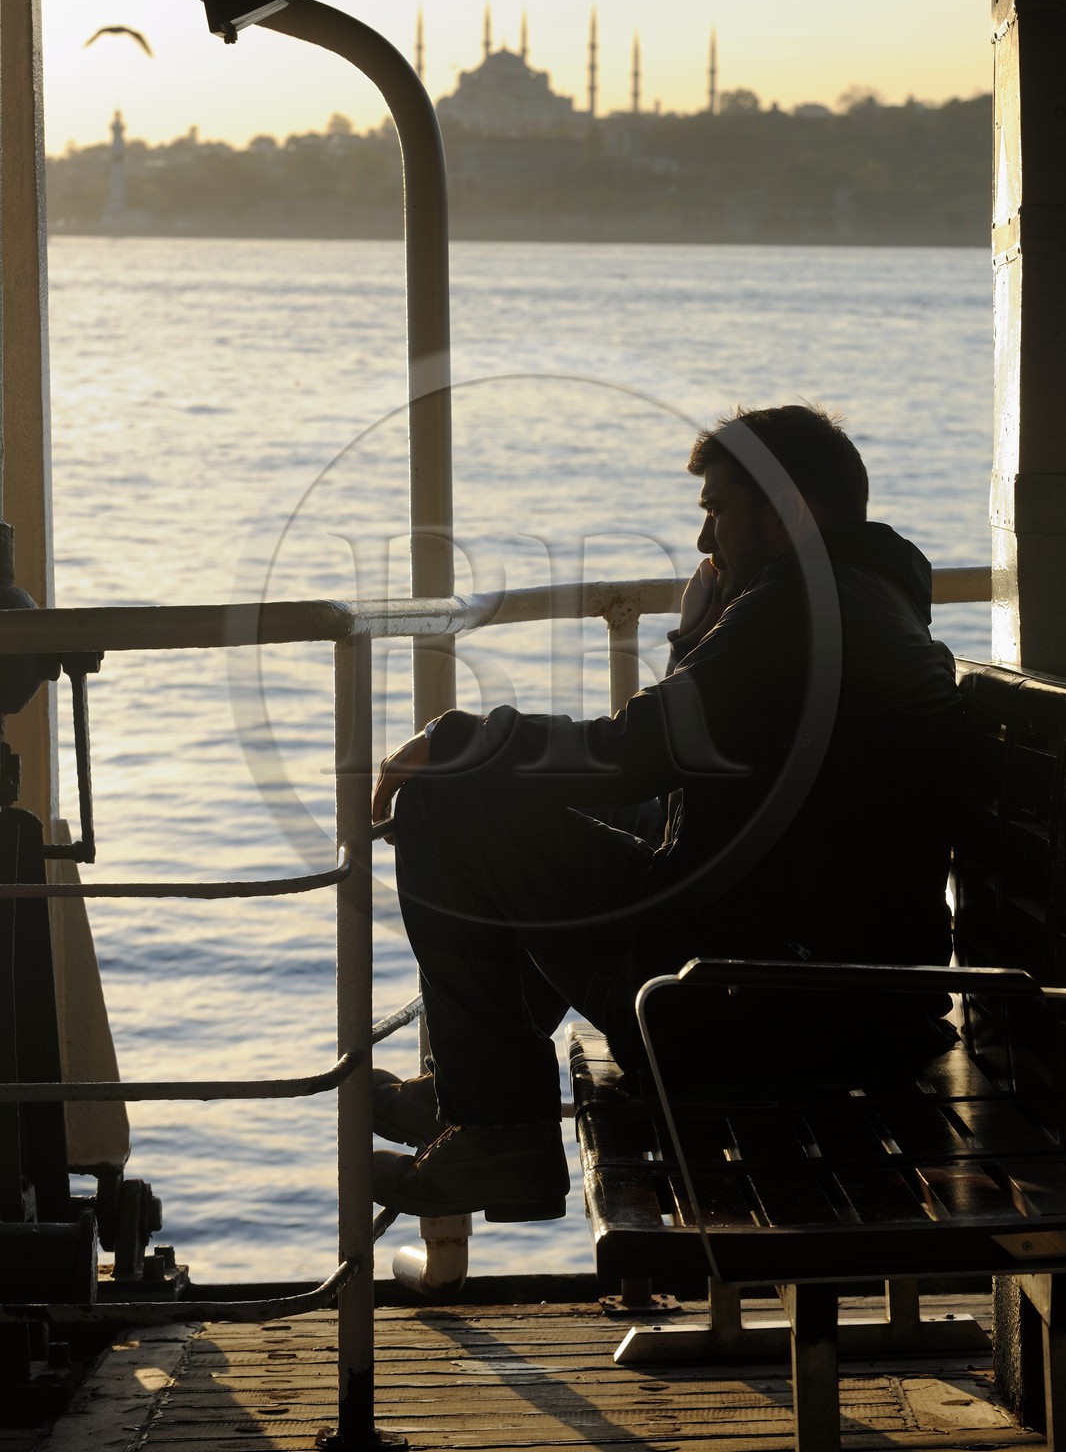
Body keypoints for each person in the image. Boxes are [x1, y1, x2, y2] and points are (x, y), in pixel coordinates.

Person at [369, 404, 962, 1222]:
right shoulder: (865, 600)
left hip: (747, 1010)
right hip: (839, 996)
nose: (703, 541)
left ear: (789, 510)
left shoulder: (800, 611)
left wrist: (464, 735)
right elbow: (686, 776)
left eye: (715, 510)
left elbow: (630, 756)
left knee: (447, 803)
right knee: (562, 817)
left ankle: (500, 1128)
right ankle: (482, 1098)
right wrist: (698, 637)